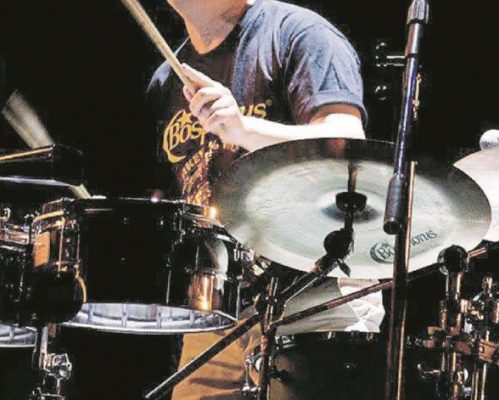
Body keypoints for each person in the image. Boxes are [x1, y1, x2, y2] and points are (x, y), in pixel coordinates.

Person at [146, 0, 385, 398]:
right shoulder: (166, 78)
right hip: (217, 309)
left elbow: (346, 142)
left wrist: (243, 129)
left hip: (314, 295)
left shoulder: (299, 34)